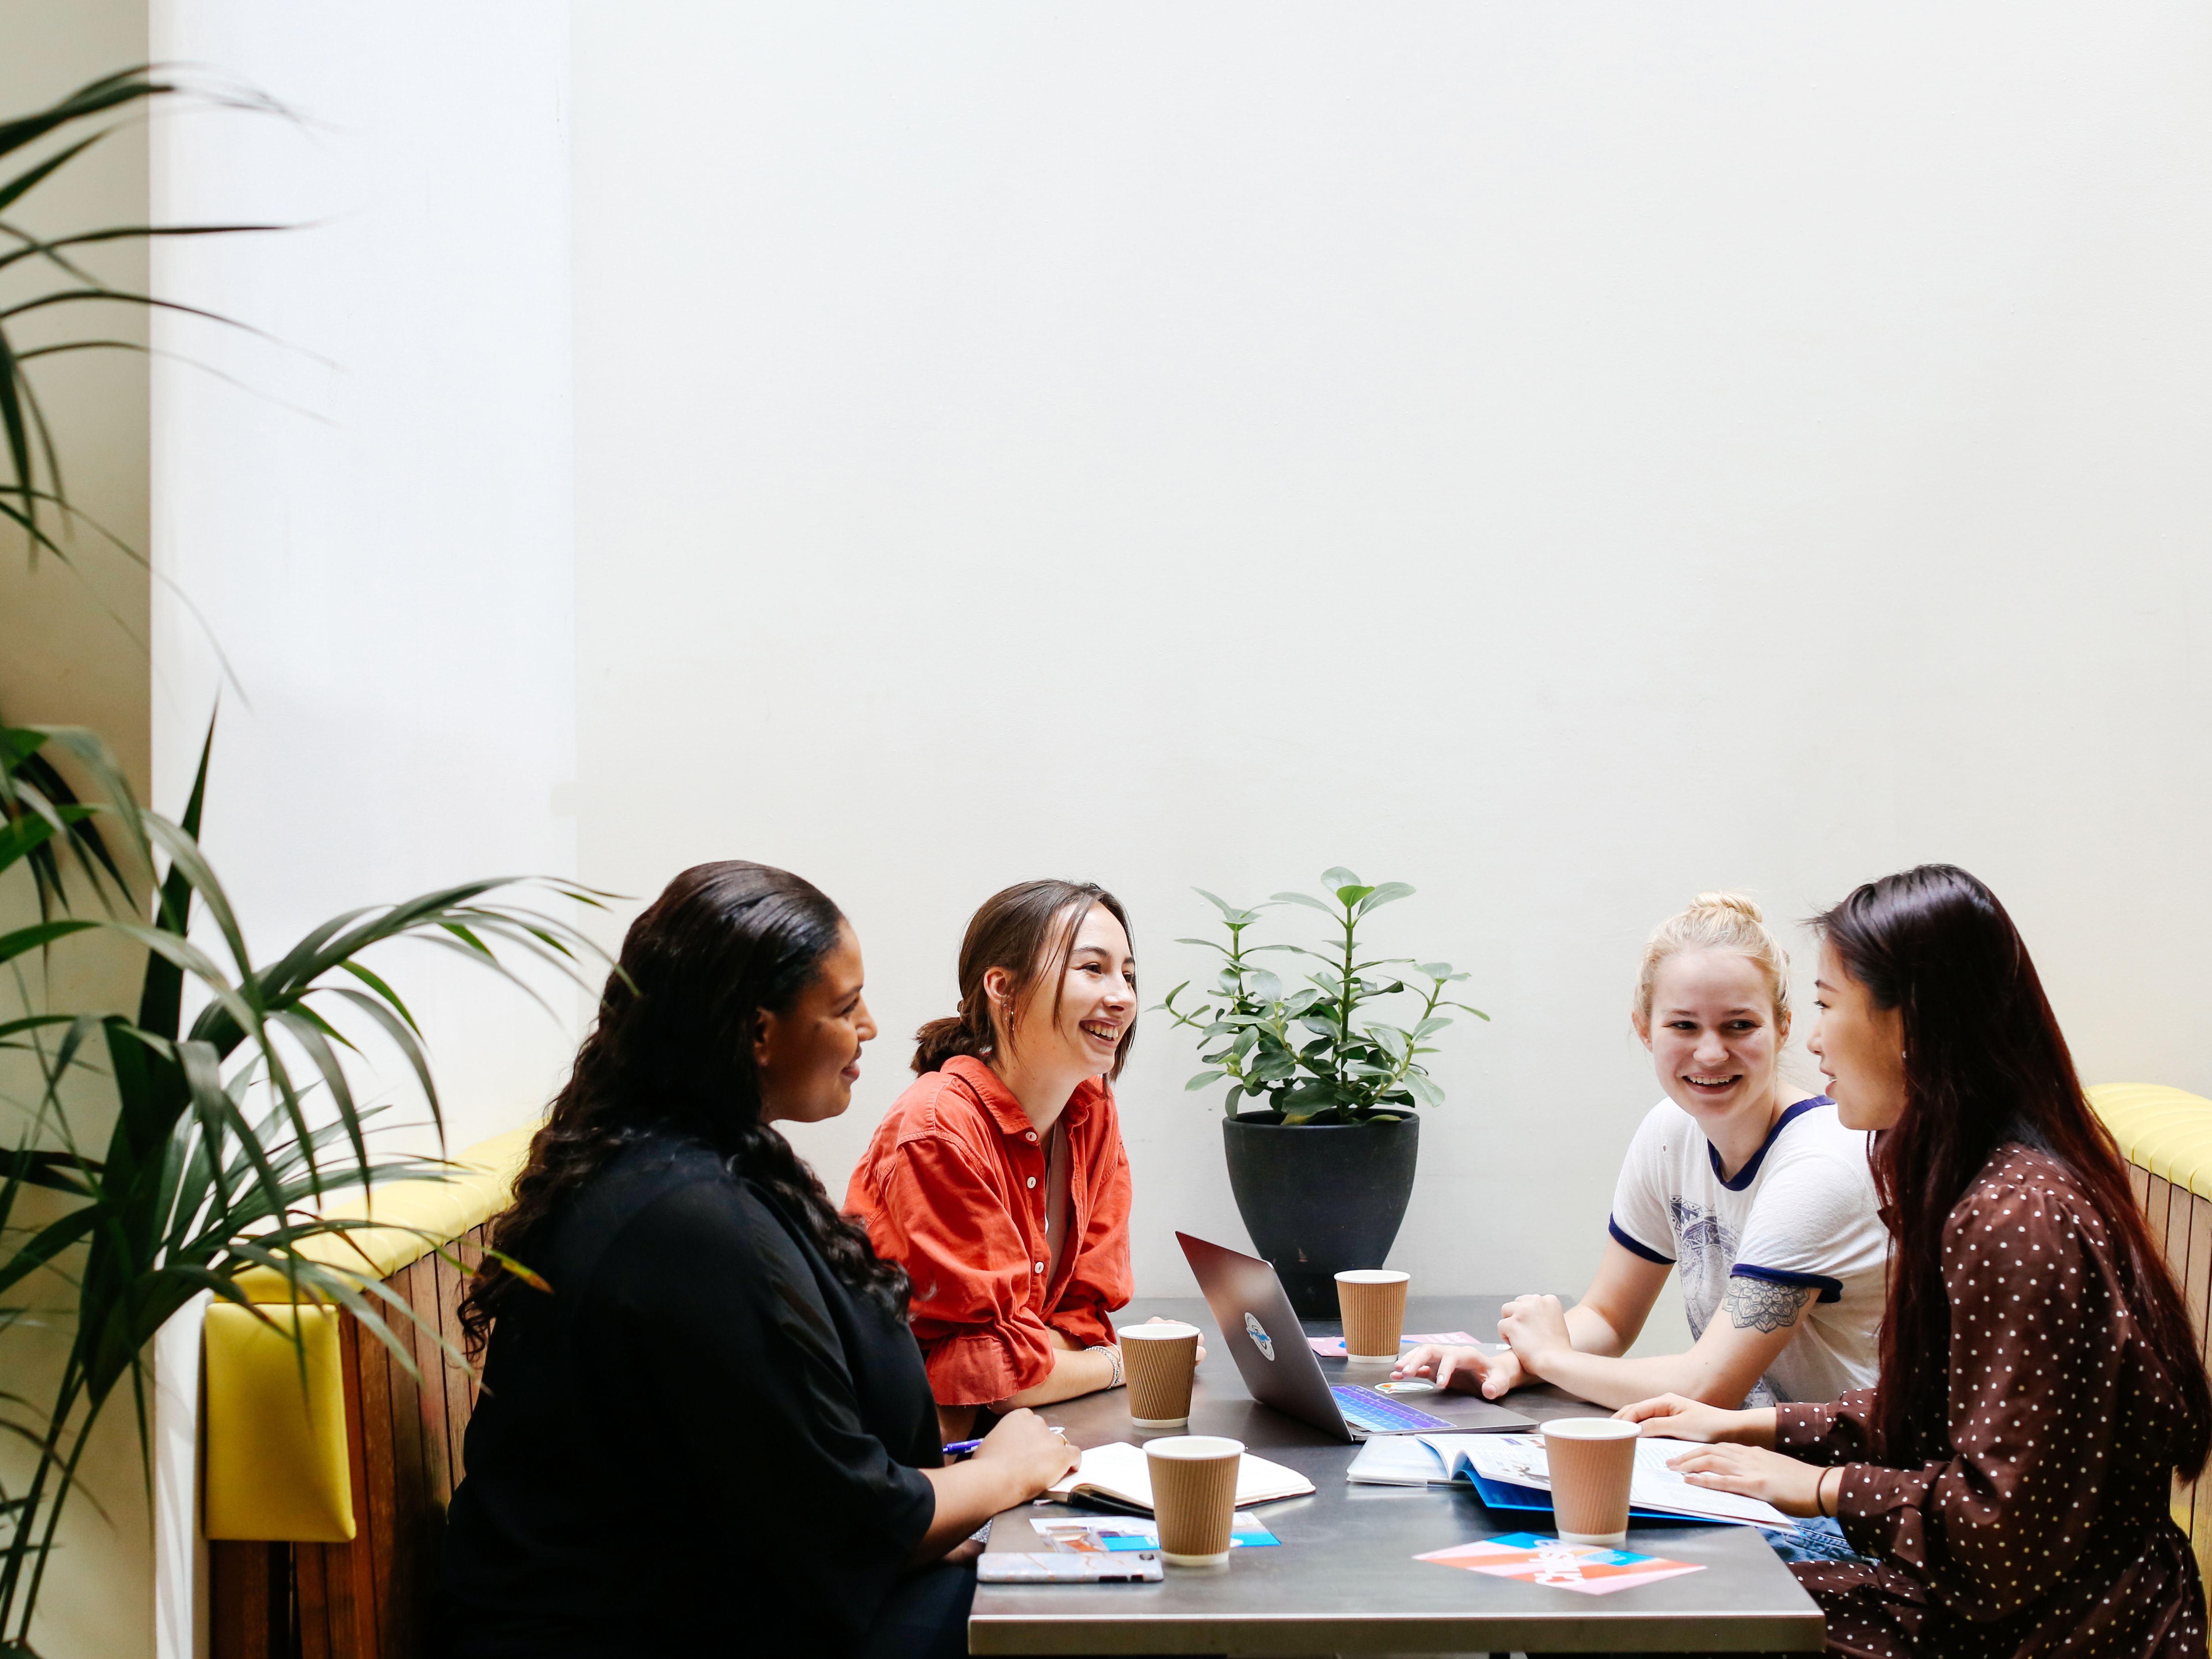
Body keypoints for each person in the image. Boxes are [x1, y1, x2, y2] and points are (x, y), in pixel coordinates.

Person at [437, 862, 1078, 1659]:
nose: (871, 1027)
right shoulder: (686, 1222)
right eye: (844, 1008)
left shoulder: (691, 1164)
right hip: (643, 1633)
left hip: (715, 1592)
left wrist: (941, 1503)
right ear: (757, 1030)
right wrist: (1008, 1473)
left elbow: (780, 1486)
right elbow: (837, 1523)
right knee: (1072, 1615)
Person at [1623, 864, 2210, 1658]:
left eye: (1828, 1007)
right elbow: (1930, 1407)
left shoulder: (2017, 1218)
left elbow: (2001, 1532)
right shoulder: (1966, 1174)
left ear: (1913, 1025)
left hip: (2054, 1630)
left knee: (1648, 1604)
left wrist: (1819, 1486)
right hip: (2007, 1604)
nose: (1817, 1041)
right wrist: (1754, 1427)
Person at [1397, 892, 1886, 1412]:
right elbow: (1608, 1317)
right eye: (1683, 1025)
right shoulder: (1669, 1131)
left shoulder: (1821, 1165)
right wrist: (1506, 1364)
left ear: (1782, 1026)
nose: (1710, 1052)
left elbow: (1708, 1386)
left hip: (1840, 1472)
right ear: (1643, 1029)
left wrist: (1548, 1359)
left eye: (1739, 1025)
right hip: (1735, 1455)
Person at [847, 879, 1144, 1443]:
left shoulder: (1092, 1108)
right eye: (1092, 968)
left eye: (1127, 974)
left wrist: (1038, 1355)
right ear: (1002, 987)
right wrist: (1132, 1361)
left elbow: (1082, 1321)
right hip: (913, 1460)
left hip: (1016, 1439)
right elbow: (998, 1378)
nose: (1122, 996)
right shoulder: (937, 1128)